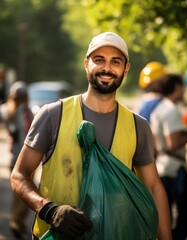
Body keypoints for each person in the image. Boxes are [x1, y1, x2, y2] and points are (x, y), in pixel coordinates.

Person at [10, 32, 172, 240]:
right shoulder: (53, 115)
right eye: (99, 60)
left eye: (115, 61)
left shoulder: (138, 126)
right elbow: (19, 174)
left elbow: (153, 187)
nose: (107, 68)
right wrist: (49, 210)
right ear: (86, 64)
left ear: (126, 69)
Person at [150, 74, 187, 240]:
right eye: (182, 87)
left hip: (162, 166)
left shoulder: (160, 108)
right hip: (175, 169)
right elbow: (173, 143)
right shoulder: (171, 110)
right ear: (176, 87)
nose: (184, 90)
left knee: (165, 215)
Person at [0, 81, 33, 239]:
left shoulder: (5, 110)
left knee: (17, 193)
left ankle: (16, 221)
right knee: (26, 193)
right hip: (26, 158)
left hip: (13, 156)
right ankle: (16, 222)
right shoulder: (26, 111)